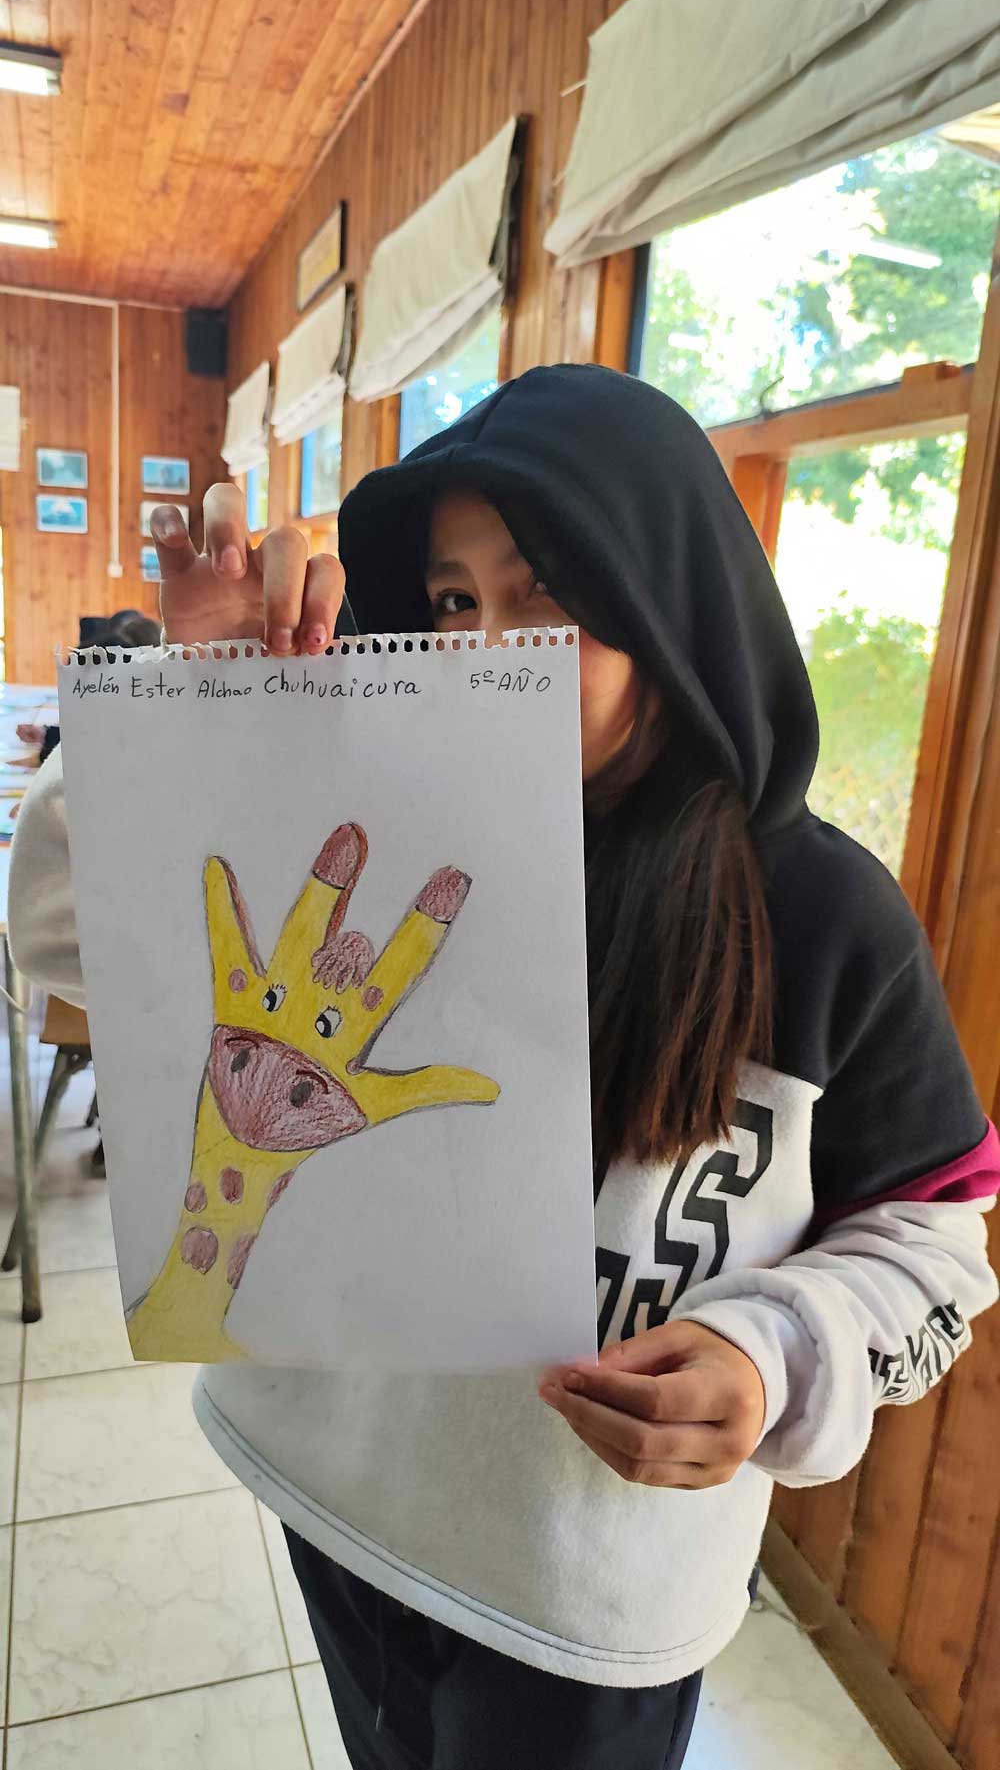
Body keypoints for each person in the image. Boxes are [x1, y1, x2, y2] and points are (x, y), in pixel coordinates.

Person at [9, 364, 999, 1770]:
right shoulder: (369, 819)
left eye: (545, 599)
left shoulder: (823, 915)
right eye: (455, 600)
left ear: (667, 603)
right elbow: (64, 940)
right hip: (340, 1504)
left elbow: (934, 1239)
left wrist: (779, 1354)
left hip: (586, 1588)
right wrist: (205, 719)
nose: (485, 647)